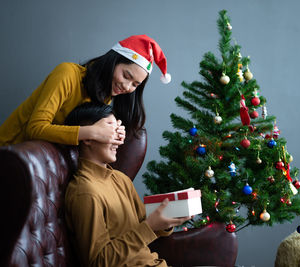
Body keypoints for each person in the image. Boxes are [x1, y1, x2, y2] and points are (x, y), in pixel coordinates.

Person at [64, 102, 189, 267]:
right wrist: (150, 226)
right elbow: (98, 262)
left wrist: (167, 221)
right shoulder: (85, 192)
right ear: (87, 136)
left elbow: (146, 226)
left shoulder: (121, 179)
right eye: (110, 128)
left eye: (119, 130)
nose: (119, 139)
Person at [0, 34, 171, 146]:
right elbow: (35, 128)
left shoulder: (105, 96)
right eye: (126, 76)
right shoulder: (67, 74)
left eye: (135, 85)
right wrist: (93, 131)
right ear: (113, 61)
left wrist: (112, 132)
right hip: (11, 152)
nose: (127, 87)